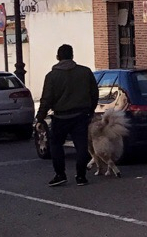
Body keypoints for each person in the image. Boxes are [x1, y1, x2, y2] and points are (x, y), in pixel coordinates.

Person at [36, 43, 99, 187]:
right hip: (81, 115)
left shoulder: (51, 76)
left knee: (56, 144)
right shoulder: (85, 72)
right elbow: (94, 93)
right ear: (72, 56)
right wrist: (91, 110)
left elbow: (46, 99)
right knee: (81, 146)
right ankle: (81, 176)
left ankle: (60, 174)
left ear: (58, 57)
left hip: (60, 117)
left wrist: (40, 118)